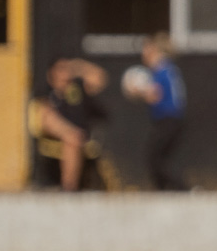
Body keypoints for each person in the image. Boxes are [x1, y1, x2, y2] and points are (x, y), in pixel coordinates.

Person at [123, 34, 186, 190]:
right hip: (171, 120)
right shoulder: (168, 68)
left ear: (155, 50)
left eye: (146, 49)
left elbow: (154, 95)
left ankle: (183, 189)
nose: (143, 53)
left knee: (154, 158)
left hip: (168, 120)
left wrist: (136, 90)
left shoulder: (162, 69)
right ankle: (166, 190)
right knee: (157, 158)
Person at [35, 57, 106, 191]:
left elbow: (99, 78)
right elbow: (45, 118)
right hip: (57, 134)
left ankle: (68, 188)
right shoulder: (48, 92)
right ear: (52, 73)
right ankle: (69, 188)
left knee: (72, 141)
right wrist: (68, 131)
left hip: (78, 137)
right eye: (61, 69)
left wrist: (78, 67)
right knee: (69, 136)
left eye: (67, 69)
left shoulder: (78, 90)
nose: (65, 74)